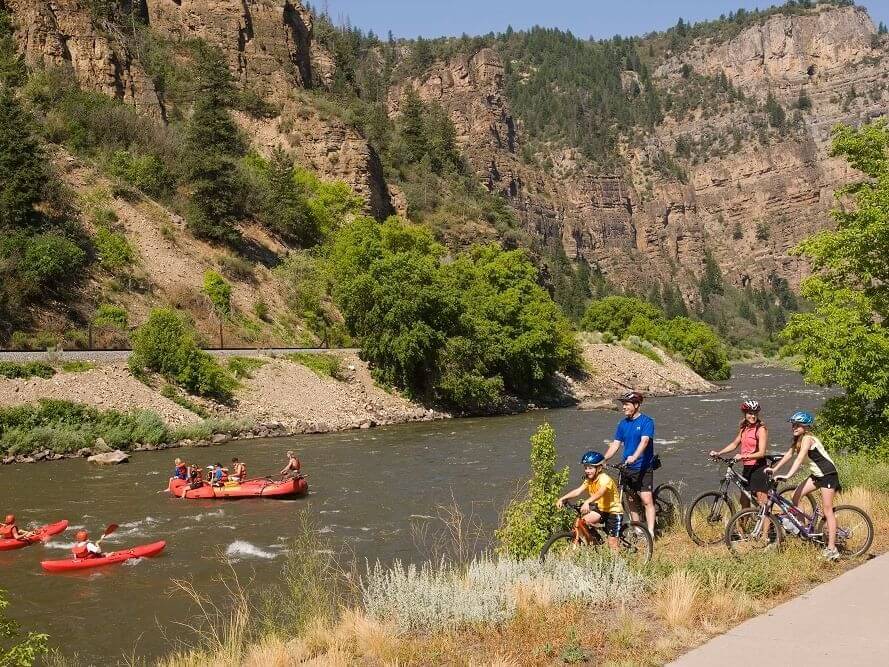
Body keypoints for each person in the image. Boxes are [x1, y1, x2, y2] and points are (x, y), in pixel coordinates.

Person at [766, 411, 841, 561]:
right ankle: (803, 529)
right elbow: (788, 455)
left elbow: (799, 459)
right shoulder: (797, 440)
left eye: (797, 425)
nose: (794, 427)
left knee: (827, 510)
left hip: (828, 474)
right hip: (817, 475)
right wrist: (774, 469)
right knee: (796, 495)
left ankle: (832, 549)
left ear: (805, 427)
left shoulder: (807, 439)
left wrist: (787, 475)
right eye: (793, 424)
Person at [604, 391, 656, 537]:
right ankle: (638, 531)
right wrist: (603, 460)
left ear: (636, 405)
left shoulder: (647, 422)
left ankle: (650, 533)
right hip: (627, 467)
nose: (623, 407)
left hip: (643, 466)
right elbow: (615, 445)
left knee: (646, 500)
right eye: (623, 405)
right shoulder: (622, 424)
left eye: (626, 404)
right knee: (631, 500)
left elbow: (645, 441)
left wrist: (635, 456)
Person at [556, 451, 623, 551]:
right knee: (581, 522)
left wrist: (587, 502)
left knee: (612, 544)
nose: (587, 470)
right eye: (586, 467)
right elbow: (578, 490)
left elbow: (600, 492)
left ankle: (618, 565)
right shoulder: (589, 479)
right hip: (601, 509)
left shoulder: (605, 479)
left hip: (613, 511)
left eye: (590, 468)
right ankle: (596, 543)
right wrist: (563, 498)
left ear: (599, 468)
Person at [709, 400, 769, 508]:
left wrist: (743, 456)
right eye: (750, 413)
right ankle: (742, 525)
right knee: (744, 501)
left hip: (759, 468)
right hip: (747, 468)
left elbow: (761, 453)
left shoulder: (761, 429)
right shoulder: (744, 428)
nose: (753, 416)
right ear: (745, 414)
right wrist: (719, 453)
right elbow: (734, 444)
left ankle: (768, 524)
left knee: (762, 503)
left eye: (755, 413)